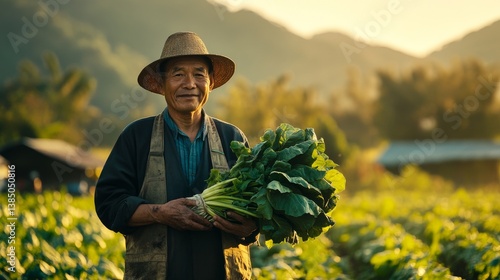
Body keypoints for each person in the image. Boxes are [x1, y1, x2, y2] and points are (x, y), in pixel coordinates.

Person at [94, 32, 258, 280]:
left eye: (199, 74)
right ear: (161, 84)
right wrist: (159, 212)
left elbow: (258, 206)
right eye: (178, 74)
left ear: (211, 82)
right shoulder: (137, 137)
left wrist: (251, 227)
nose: (189, 84)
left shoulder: (232, 138)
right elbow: (109, 204)